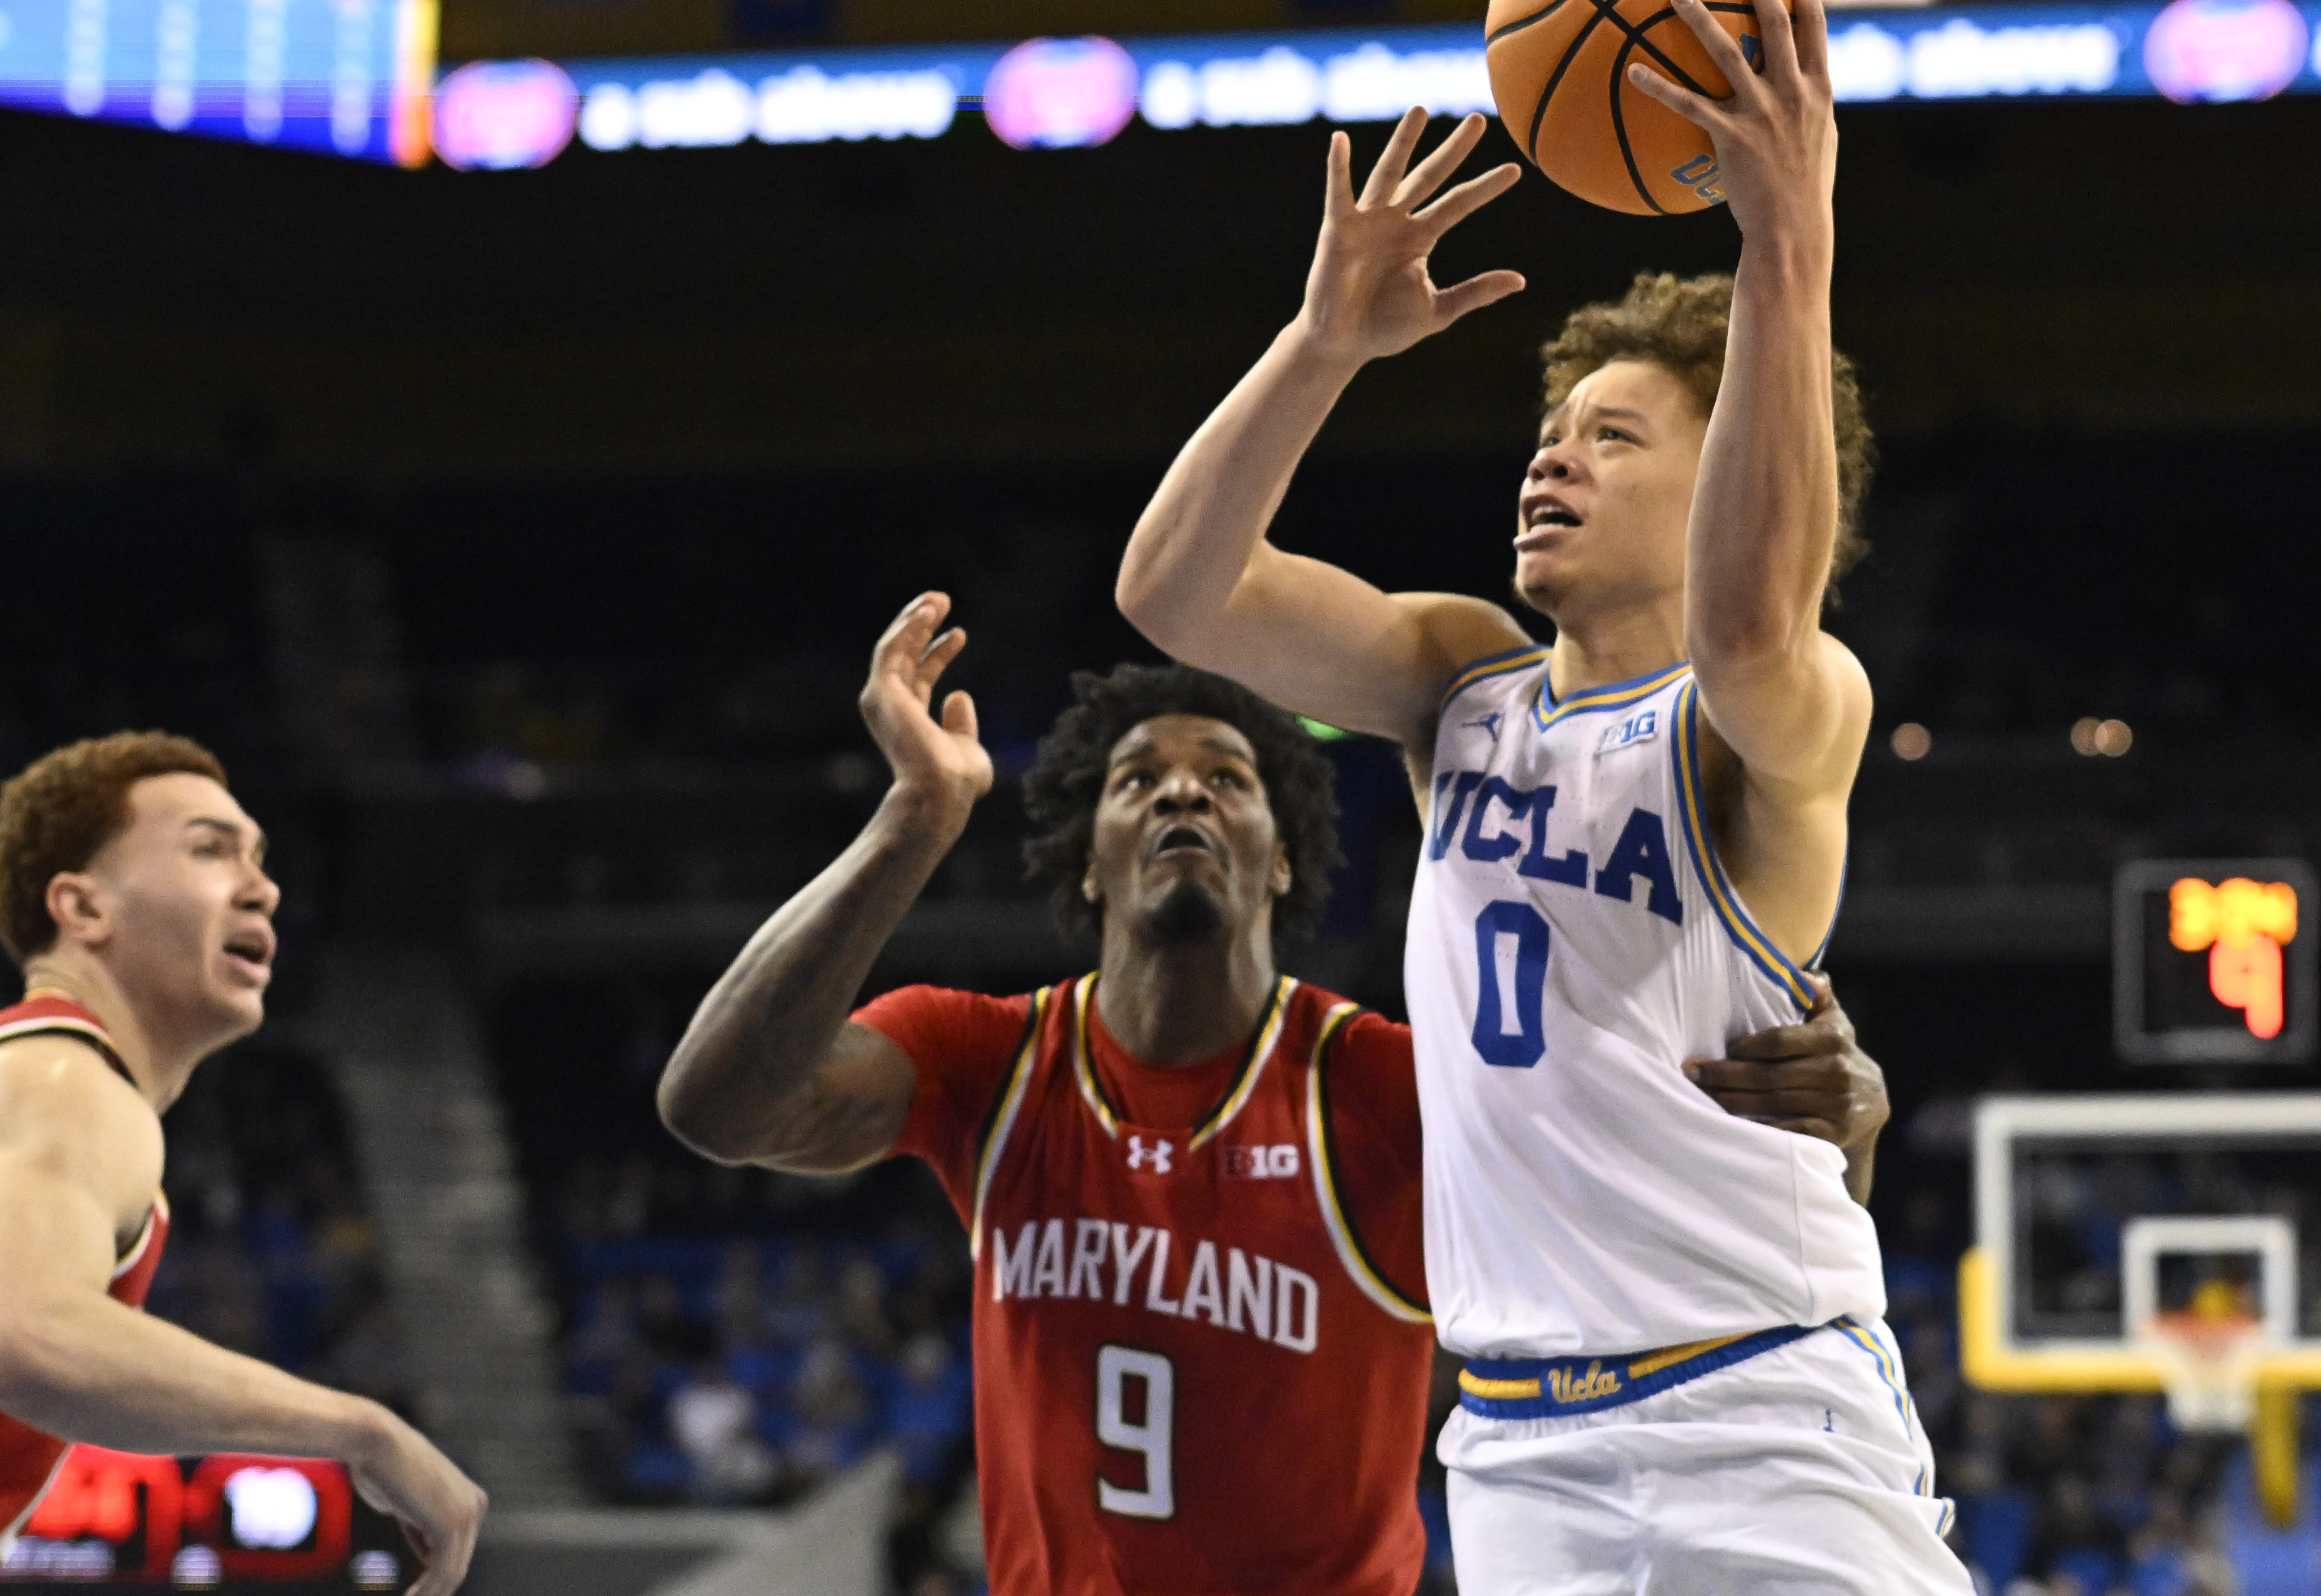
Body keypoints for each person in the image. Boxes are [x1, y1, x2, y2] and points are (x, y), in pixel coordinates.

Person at [1116, 0, 1969, 1591]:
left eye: (1613, 436)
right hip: (1511, 1446)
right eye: (1548, 426)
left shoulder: (1778, 712)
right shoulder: (1458, 683)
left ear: (1727, 479)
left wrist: (1787, 241)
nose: (1549, 452)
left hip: (1759, 1414)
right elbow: (1173, 593)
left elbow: (1743, 617)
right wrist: (1316, 346)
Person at [657, 593, 1892, 1596]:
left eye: (1227, 778)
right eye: (1136, 780)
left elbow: (1695, 1263)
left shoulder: (1395, 1090)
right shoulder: (987, 1060)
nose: (1183, 791)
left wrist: (1840, 1134)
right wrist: (911, 821)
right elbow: (717, 1108)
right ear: (1088, 861)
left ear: (1281, 853)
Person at [0, 732, 485, 1594]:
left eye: (259, 857)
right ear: (83, 909)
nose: (263, 887)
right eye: (209, 850)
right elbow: (28, 1334)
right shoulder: (64, 1079)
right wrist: (363, 1428)